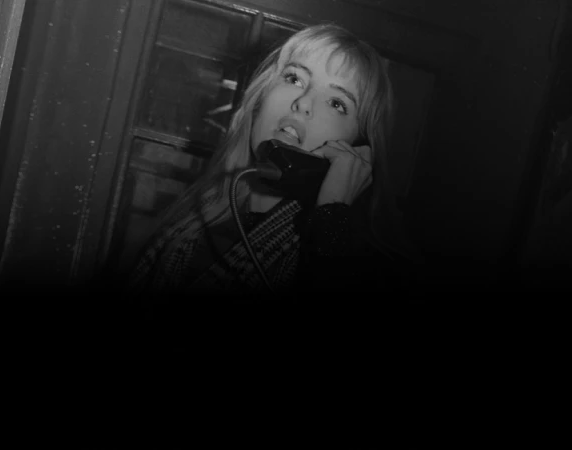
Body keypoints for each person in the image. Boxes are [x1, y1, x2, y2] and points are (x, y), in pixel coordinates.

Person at [125, 23, 422, 350]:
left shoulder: (361, 263)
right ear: (261, 98)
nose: (304, 102)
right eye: (294, 79)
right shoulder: (197, 211)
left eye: (337, 103)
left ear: (354, 149)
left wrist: (331, 218)